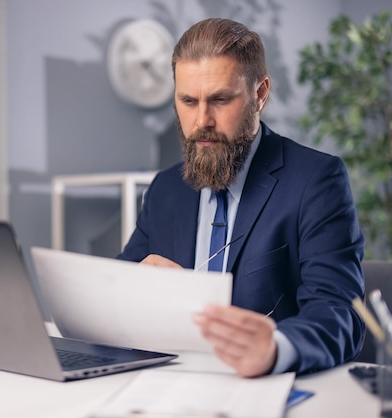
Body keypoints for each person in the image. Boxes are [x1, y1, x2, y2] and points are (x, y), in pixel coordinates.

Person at [117, 18, 365, 377]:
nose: (202, 120)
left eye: (220, 99)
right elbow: (116, 287)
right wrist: (132, 287)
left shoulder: (316, 181)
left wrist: (276, 348)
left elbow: (339, 314)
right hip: (173, 385)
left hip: (265, 390)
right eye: (188, 101)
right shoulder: (165, 190)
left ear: (260, 94)